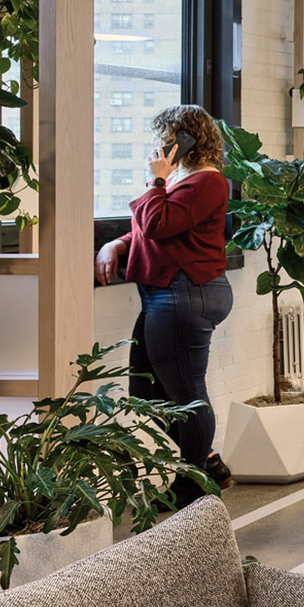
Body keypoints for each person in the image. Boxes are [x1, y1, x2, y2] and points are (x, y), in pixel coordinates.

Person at [96, 106, 234, 501]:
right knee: (146, 392)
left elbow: (159, 224)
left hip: (185, 294)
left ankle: (194, 488)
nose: (159, 146)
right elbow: (156, 231)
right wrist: (115, 243)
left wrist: (157, 179)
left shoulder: (207, 182)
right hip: (166, 295)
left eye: (165, 137)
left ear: (185, 140)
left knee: (186, 393)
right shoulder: (185, 182)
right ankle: (205, 461)